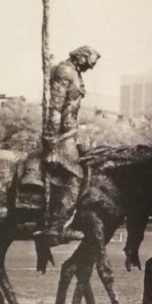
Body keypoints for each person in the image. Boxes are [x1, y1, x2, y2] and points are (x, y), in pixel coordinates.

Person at [36, 46, 100, 246]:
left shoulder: (76, 74)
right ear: (80, 57)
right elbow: (55, 108)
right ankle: (55, 227)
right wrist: (52, 144)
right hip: (61, 136)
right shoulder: (65, 71)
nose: (90, 68)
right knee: (76, 177)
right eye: (89, 63)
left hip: (71, 133)